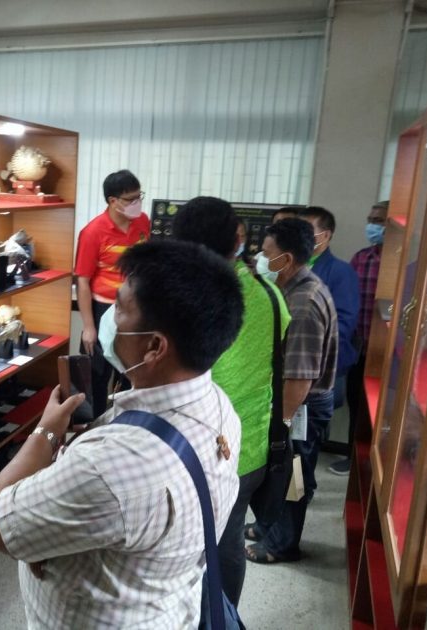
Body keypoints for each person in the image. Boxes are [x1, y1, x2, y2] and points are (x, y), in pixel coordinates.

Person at [0, 239, 244, 628]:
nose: (109, 317)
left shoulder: (109, 468)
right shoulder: (220, 406)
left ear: (154, 346)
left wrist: (46, 433)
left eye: (119, 308)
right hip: (166, 605)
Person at [173, 196, 290, 607]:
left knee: (180, 544)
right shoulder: (270, 294)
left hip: (190, 446)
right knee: (229, 539)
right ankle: (225, 617)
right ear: (238, 240)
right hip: (251, 443)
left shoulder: (184, 297)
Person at [245, 218, 338, 564]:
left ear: (285, 259)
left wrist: (281, 424)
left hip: (301, 407)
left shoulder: (303, 303)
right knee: (280, 474)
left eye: (266, 253)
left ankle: (282, 544)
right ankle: (268, 527)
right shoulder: (294, 288)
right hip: (295, 403)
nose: (260, 259)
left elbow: (300, 377)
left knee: (292, 475)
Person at [74, 169, 150, 417]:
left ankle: (125, 420)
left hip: (135, 308)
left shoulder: (143, 222)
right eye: (131, 199)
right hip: (104, 308)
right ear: (113, 201)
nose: (137, 203)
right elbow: (83, 282)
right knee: (97, 373)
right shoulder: (93, 232)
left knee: (132, 370)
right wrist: (88, 326)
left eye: (139, 197)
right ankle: (94, 424)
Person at [329, 201, 389, 475]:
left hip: (386, 352)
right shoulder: (361, 258)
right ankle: (352, 457)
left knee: (382, 408)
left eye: (379, 220)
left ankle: (378, 462)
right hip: (357, 346)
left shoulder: (403, 264)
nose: (372, 225)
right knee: (356, 403)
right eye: (371, 219)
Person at [297, 206, 359, 409]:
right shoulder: (291, 265)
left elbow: (343, 324)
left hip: (323, 366)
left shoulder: (341, 271)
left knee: (314, 421)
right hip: (293, 363)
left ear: (325, 235)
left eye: (307, 230)